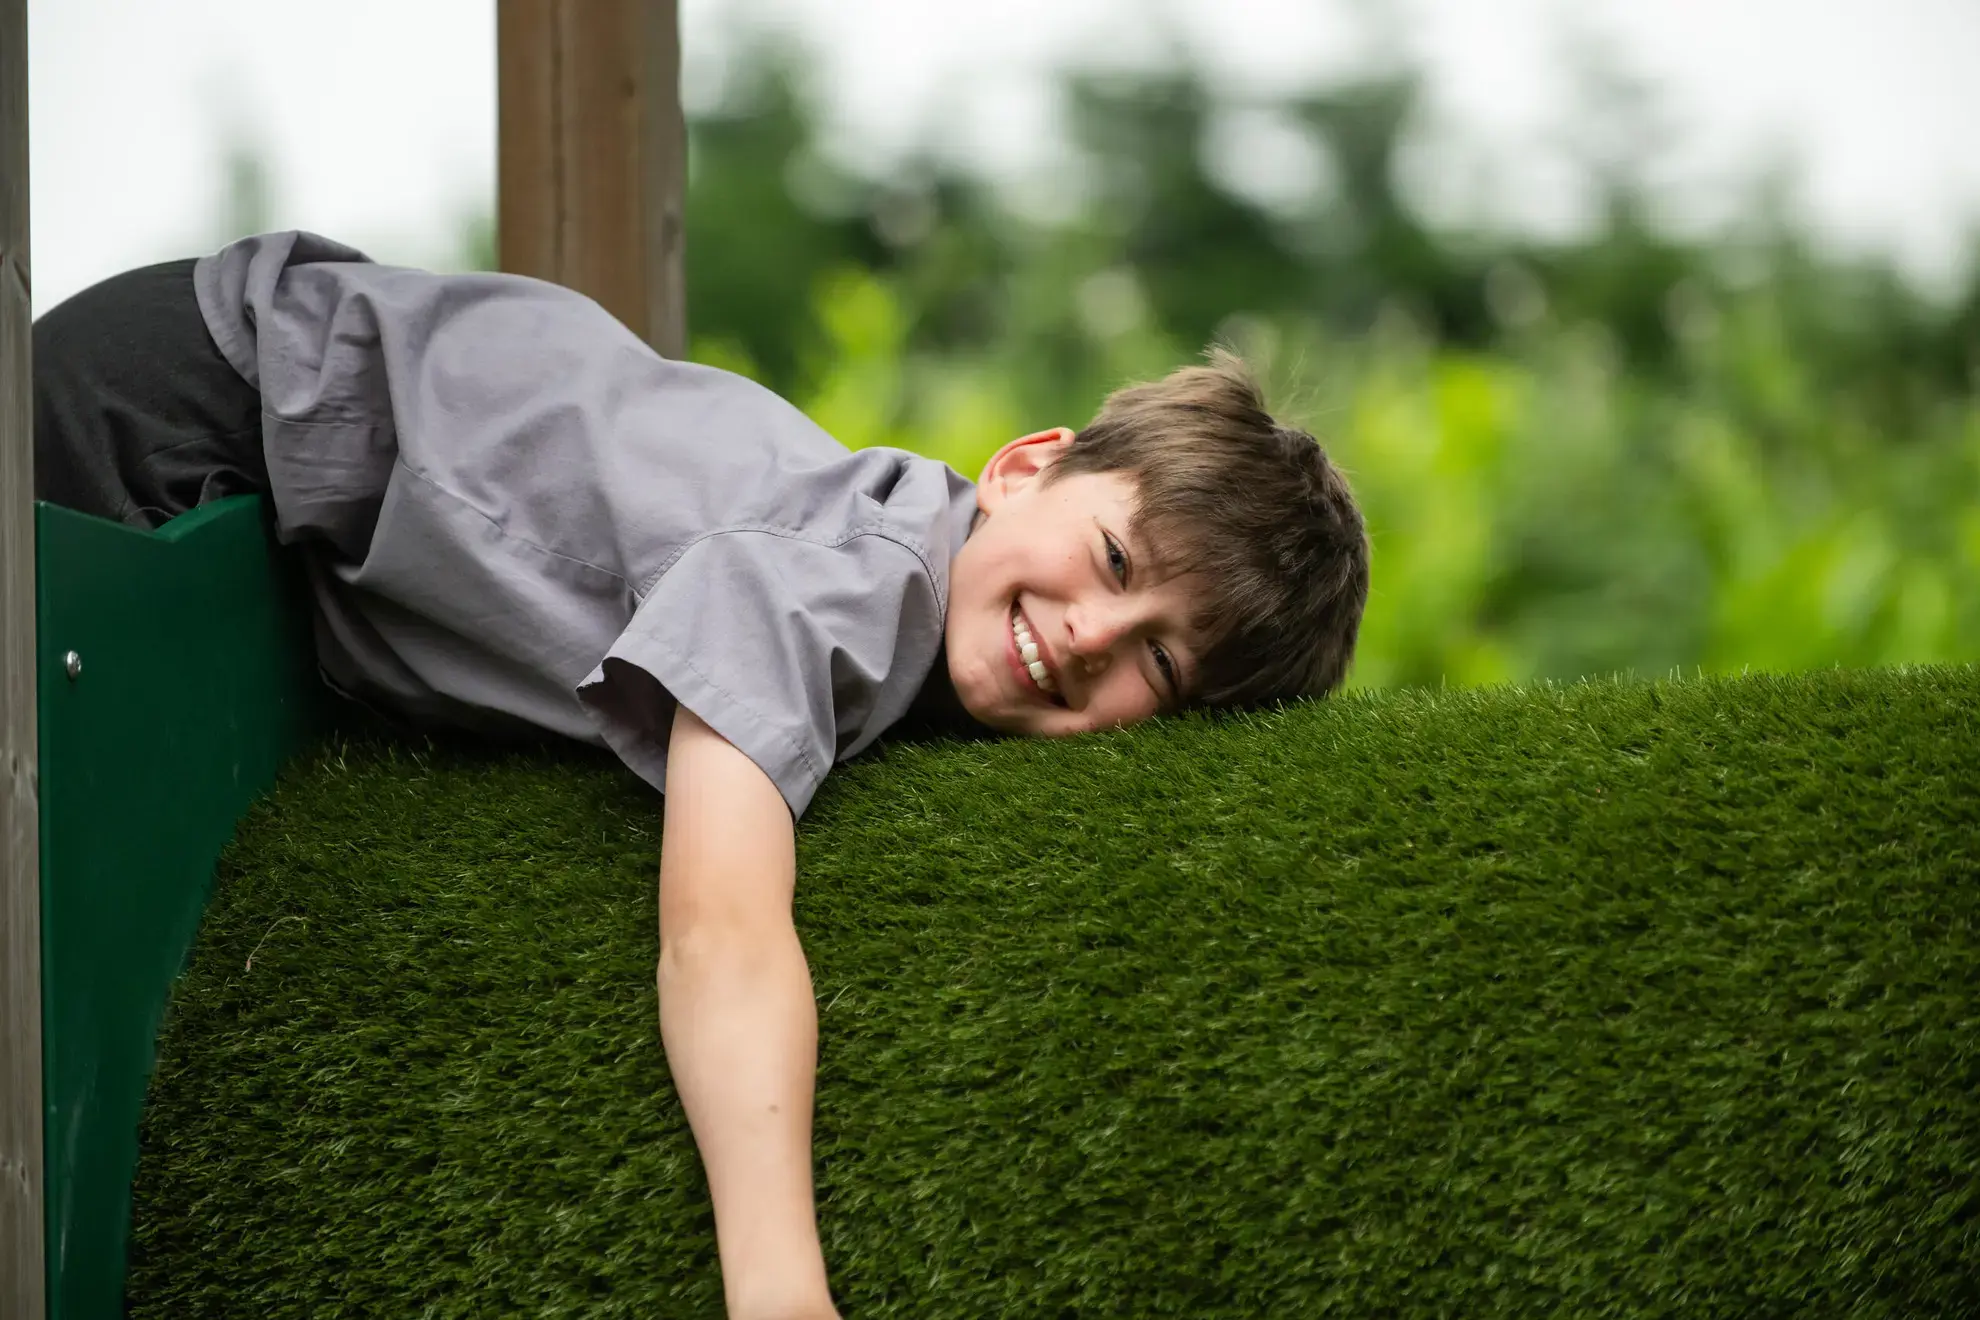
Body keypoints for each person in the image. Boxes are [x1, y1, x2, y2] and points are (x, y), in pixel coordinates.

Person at [33, 230, 1369, 1318]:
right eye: (1119, 567)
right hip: (197, 408)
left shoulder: (928, 587)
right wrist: (780, 1286)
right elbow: (721, 935)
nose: (1089, 636)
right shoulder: (846, 581)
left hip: (291, 421)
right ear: (1025, 470)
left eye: (1161, 670)